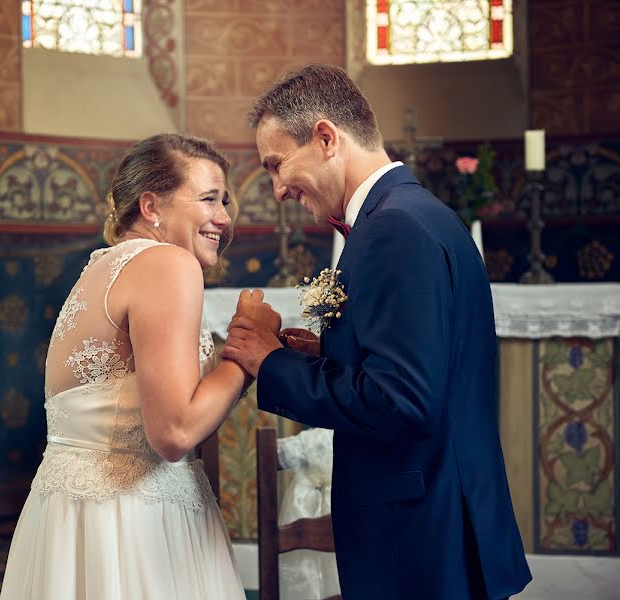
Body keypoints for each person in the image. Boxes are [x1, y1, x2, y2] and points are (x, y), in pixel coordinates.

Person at [222, 64, 532, 600]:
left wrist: (270, 363)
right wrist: (331, 351)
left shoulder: (394, 229)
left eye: (277, 164)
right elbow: (421, 364)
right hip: (437, 521)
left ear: (325, 138)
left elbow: (404, 401)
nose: (276, 190)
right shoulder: (417, 213)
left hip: (421, 539)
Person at [0, 133, 255, 599]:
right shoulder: (168, 264)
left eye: (225, 201)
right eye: (208, 199)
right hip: (133, 525)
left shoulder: (104, 265)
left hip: (72, 518)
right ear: (152, 206)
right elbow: (174, 433)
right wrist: (248, 353)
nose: (225, 218)